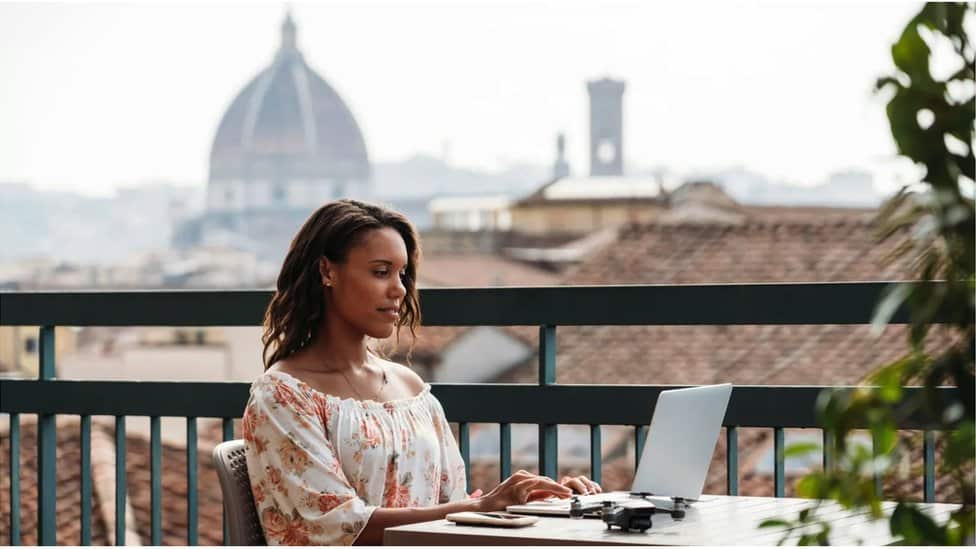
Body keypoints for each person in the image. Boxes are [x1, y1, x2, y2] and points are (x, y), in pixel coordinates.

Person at [242, 199, 601, 545]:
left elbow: (453, 507)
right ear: (327, 271)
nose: (399, 289)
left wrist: (535, 502)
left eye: (402, 273)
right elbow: (337, 527)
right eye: (380, 272)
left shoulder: (410, 387)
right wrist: (481, 507)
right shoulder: (282, 395)